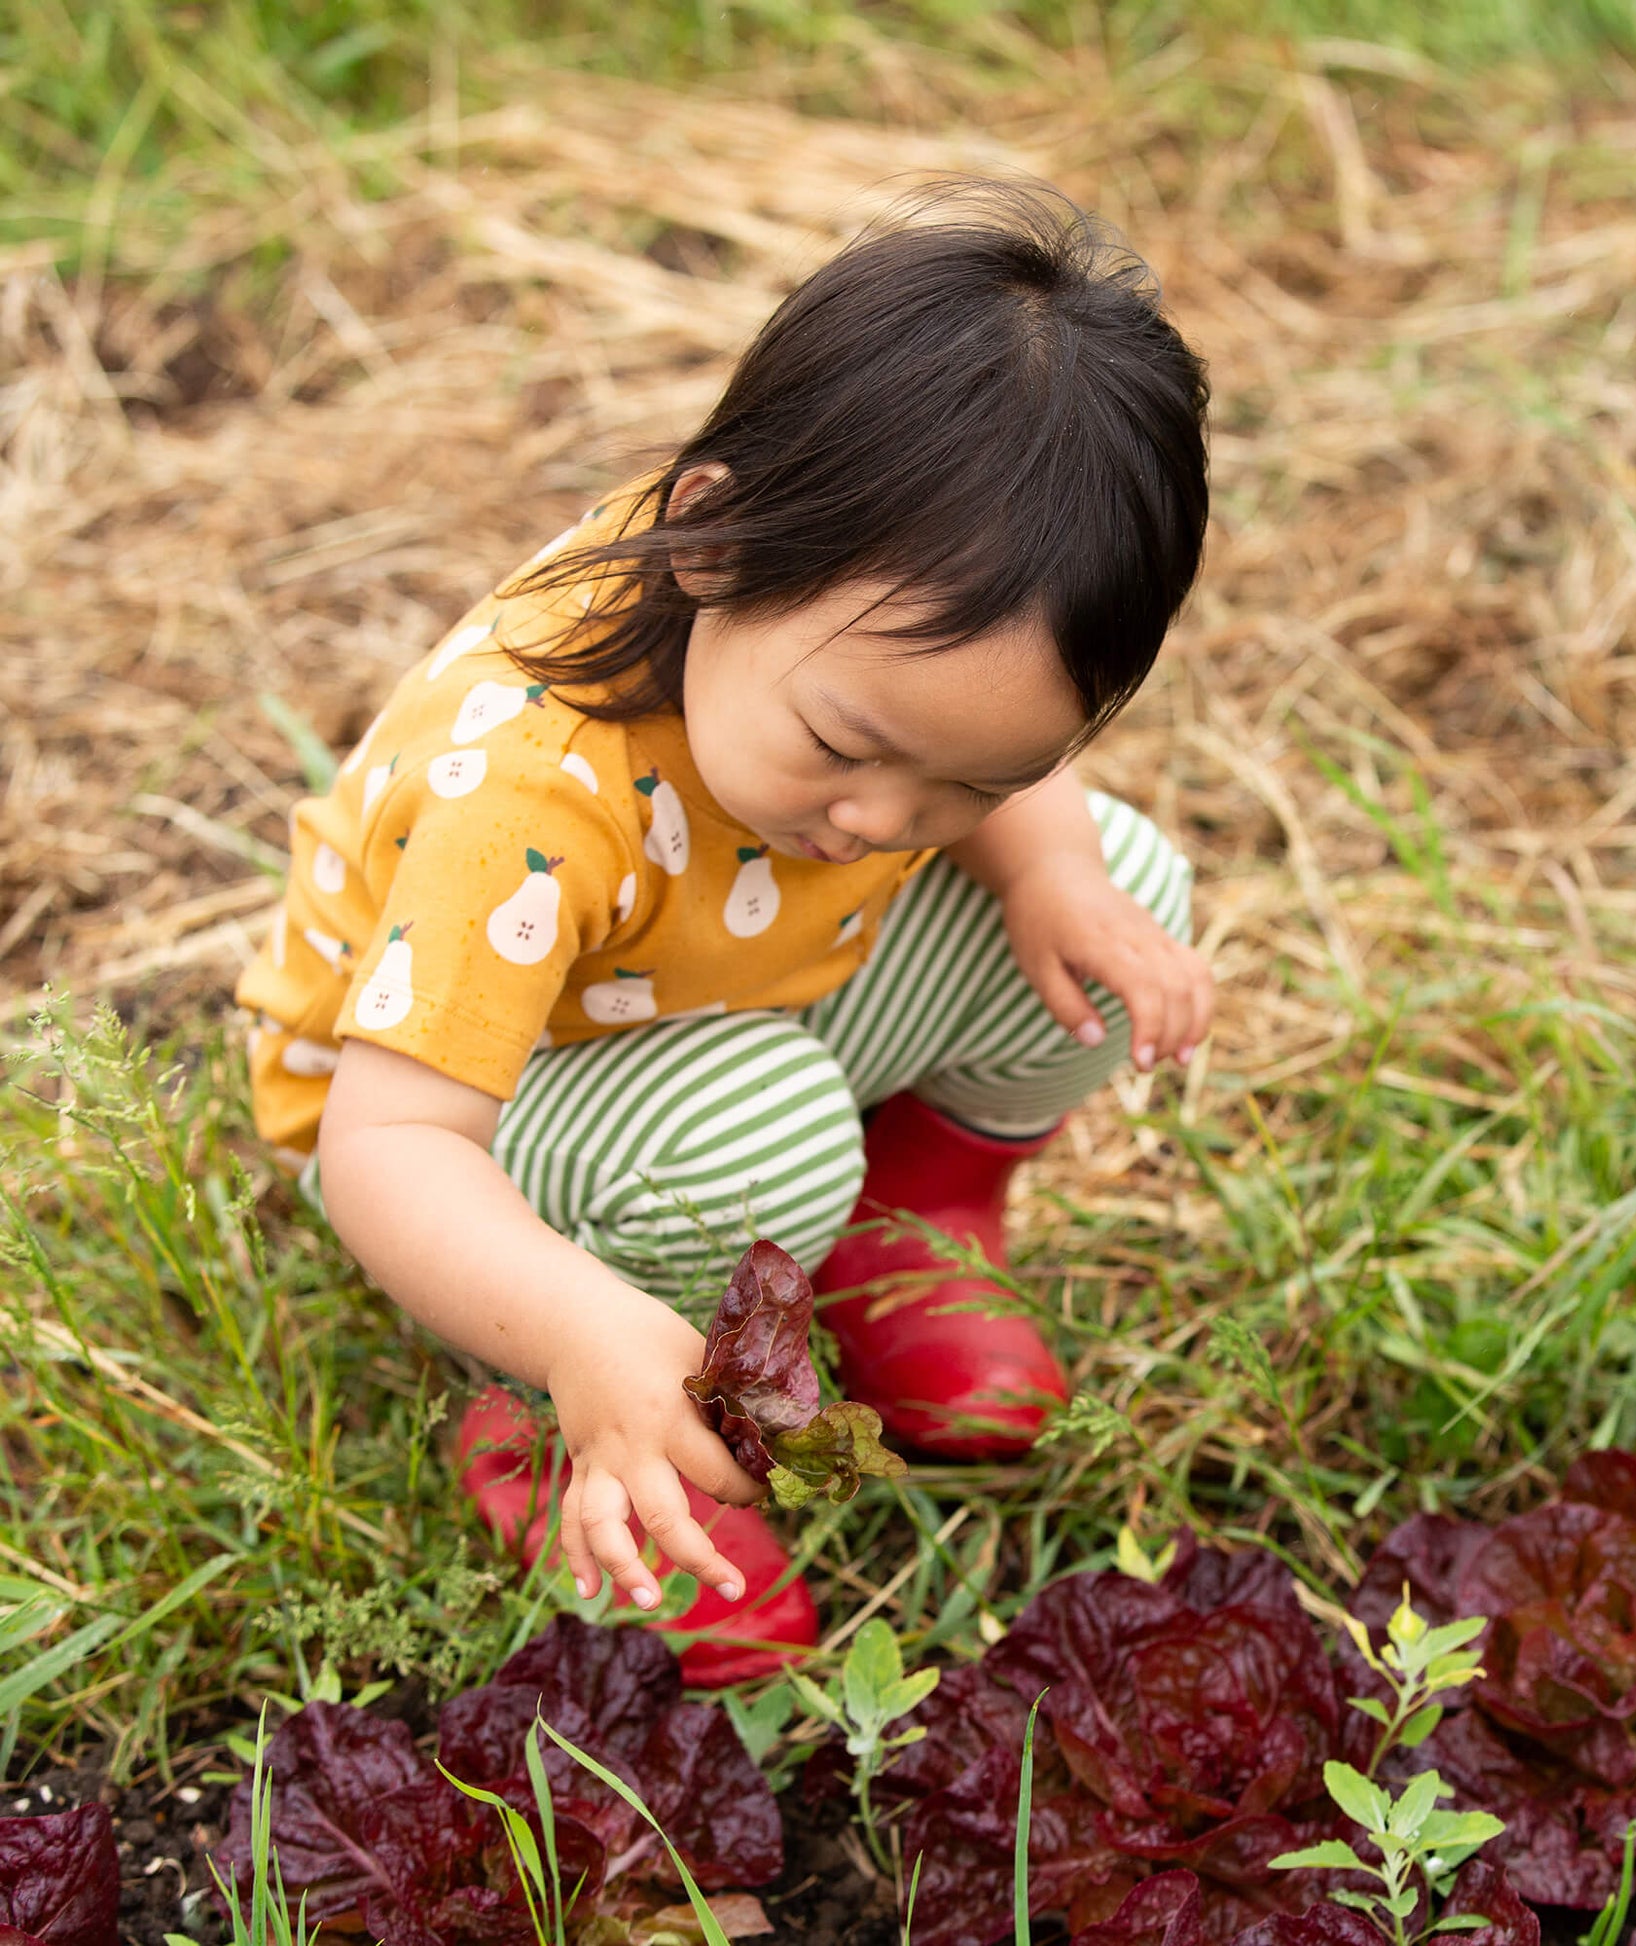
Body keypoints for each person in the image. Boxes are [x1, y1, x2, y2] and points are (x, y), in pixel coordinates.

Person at [236, 178, 1212, 1685]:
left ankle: (904, 1234)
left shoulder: (854, 630)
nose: (888, 818)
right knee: (759, 1133)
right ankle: (568, 1423)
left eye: (975, 774)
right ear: (708, 543)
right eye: (848, 743)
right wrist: (570, 1333)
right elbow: (388, 1146)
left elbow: (966, 741)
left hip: (725, 980)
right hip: (466, 1106)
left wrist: (1043, 851)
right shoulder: (531, 796)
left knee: (1116, 885)